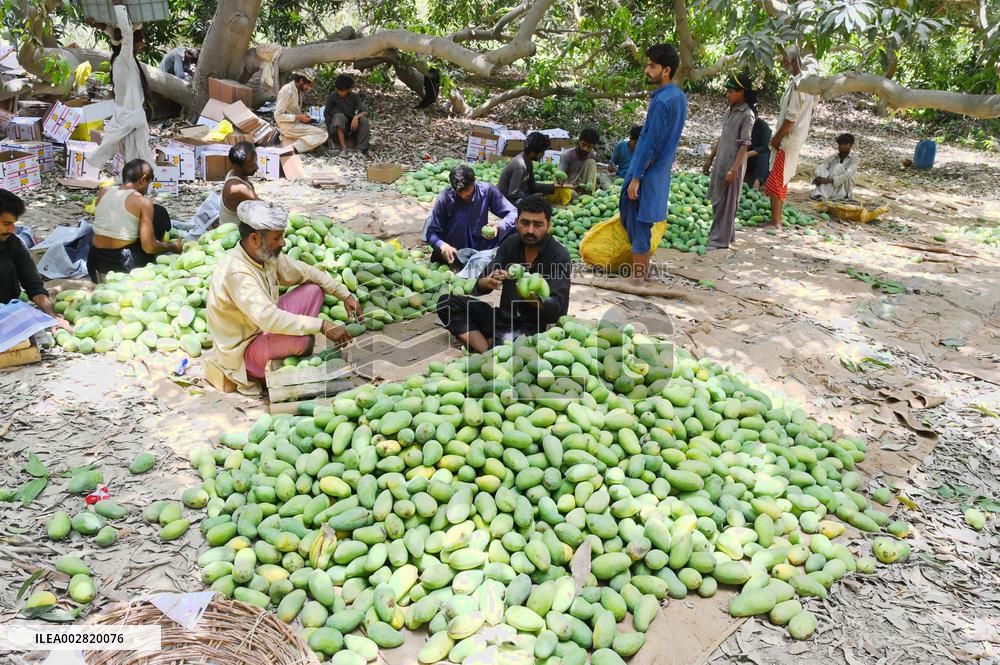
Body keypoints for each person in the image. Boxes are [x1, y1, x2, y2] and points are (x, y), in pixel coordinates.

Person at [206, 201, 362, 395]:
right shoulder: (238, 274)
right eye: (277, 238)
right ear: (255, 239)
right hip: (244, 349)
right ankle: (261, 370)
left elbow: (307, 272)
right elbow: (269, 319)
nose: (283, 243)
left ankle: (285, 350)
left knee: (314, 290)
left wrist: (344, 294)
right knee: (304, 341)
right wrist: (322, 325)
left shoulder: (264, 255)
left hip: (262, 328)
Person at [437, 195, 570, 352]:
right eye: (525, 223)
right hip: (503, 318)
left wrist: (528, 295)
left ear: (548, 226)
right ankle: (486, 351)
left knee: (510, 347)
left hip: (534, 328)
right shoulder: (511, 244)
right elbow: (482, 279)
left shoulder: (559, 255)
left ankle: (493, 347)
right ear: (516, 222)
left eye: (538, 225)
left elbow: (557, 308)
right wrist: (487, 281)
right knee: (447, 303)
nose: (530, 230)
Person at [620, 43, 687, 282]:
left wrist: (636, 177)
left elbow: (652, 143)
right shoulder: (678, 97)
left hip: (648, 172)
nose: (647, 70)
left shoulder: (661, 102)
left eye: (652, 66)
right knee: (643, 223)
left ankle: (638, 277)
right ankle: (643, 273)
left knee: (637, 221)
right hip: (660, 171)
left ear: (666, 70)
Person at [87, 159, 182, 282]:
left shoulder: (103, 192)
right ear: (142, 180)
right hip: (123, 265)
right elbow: (149, 247)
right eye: (148, 183)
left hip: (95, 263)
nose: (147, 189)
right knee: (159, 212)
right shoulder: (142, 202)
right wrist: (172, 246)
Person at [88, 3, 156, 170]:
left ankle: (134, 183)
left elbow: (117, 34)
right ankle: (139, 183)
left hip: (125, 118)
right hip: (131, 118)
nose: (143, 44)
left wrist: (99, 25)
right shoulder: (125, 58)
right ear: (130, 43)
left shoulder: (119, 60)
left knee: (132, 157)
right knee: (139, 157)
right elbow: (125, 33)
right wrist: (118, 6)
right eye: (140, 40)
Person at [764, 45, 818, 230]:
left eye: (785, 59)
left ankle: (776, 222)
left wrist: (776, 139)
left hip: (787, 141)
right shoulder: (807, 84)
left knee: (778, 178)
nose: (783, 63)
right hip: (792, 140)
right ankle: (775, 219)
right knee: (781, 177)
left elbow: (790, 119)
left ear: (793, 60)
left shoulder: (800, 85)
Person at [424, 164, 518, 266]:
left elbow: (514, 213)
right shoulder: (445, 198)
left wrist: (499, 226)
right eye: (459, 193)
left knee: (519, 228)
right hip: (454, 252)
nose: (464, 196)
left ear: (474, 180)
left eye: (468, 192)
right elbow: (431, 233)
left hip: (479, 247)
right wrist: (442, 245)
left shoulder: (487, 191)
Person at [703, 74, 756, 250]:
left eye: (731, 91)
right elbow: (723, 136)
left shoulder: (747, 115)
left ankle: (719, 241)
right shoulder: (730, 111)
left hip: (734, 163)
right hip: (722, 160)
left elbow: (744, 145)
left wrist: (734, 169)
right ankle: (725, 234)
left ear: (741, 92)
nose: (727, 94)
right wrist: (711, 158)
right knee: (718, 199)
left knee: (727, 202)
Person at [0, 190, 59, 319]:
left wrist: (52, 316)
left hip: (9, 313)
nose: (12, 230)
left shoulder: (13, 243)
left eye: (13, 223)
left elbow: (33, 285)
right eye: (6, 224)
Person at [275, 69, 329, 155]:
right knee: (323, 135)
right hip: (288, 126)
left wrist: (304, 116)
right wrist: (298, 117)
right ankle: (292, 148)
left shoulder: (297, 90)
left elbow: (294, 110)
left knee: (323, 125)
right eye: (309, 85)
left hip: (297, 122)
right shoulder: (287, 91)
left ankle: (310, 145)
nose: (309, 88)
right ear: (301, 81)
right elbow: (277, 116)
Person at [498, 132, 557, 206]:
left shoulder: (528, 161)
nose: (543, 155)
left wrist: (555, 187)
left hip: (517, 196)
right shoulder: (520, 166)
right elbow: (513, 194)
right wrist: (532, 197)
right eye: (542, 153)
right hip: (505, 201)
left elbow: (532, 186)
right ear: (532, 153)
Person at [324, 75, 370, 155]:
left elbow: (365, 112)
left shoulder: (354, 97)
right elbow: (326, 112)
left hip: (350, 125)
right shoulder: (333, 96)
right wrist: (329, 127)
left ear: (349, 89)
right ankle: (343, 147)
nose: (340, 93)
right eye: (339, 90)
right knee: (339, 116)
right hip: (336, 125)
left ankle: (361, 149)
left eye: (343, 91)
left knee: (364, 121)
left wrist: (356, 117)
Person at [220, 142, 259, 228]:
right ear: (237, 167)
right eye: (251, 165)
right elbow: (264, 207)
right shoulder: (238, 188)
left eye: (256, 162)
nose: (257, 167)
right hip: (234, 234)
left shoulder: (234, 173)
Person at [812, 133, 859, 201]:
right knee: (820, 167)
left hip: (844, 187)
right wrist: (816, 179)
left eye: (845, 144)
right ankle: (823, 194)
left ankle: (822, 194)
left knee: (839, 167)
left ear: (850, 145)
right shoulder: (833, 157)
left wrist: (830, 180)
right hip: (828, 184)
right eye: (840, 144)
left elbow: (847, 175)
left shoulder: (854, 159)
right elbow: (822, 166)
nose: (842, 146)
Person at [745, 116, 772, 189]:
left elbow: (765, 147)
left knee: (765, 155)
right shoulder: (742, 124)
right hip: (743, 156)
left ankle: (757, 183)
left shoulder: (763, 126)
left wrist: (747, 154)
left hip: (756, 157)